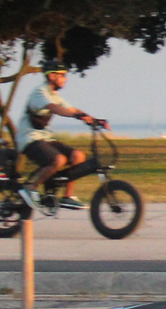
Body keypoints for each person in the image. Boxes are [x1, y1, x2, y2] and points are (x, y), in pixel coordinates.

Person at [22, 67, 106, 210]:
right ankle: (31, 188)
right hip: (29, 139)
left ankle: (67, 196)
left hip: (45, 139)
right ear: (52, 76)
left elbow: (72, 110)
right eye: (62, 75)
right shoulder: (40, 93)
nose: (65, 79)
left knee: (78, 156)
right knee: (59, 159)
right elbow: (55, 108)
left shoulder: (54, 95)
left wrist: (94, 120)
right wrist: (74, 116)